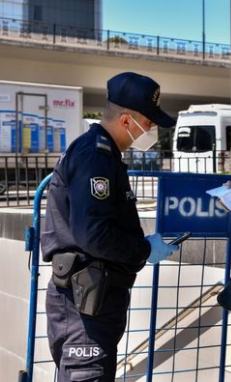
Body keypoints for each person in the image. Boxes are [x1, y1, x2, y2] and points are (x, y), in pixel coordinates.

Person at [42, 72, 179, 381]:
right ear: (127, 121)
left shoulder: (104, 154)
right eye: (149, 122)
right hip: (85, 300)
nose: (152, 129)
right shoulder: (95, 156)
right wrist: (144, 248)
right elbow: (94, 235)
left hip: (92, 297)